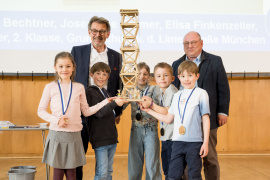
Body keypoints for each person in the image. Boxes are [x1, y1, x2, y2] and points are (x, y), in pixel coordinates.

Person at [37, 52, 113, 180]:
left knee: (73, 174)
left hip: (74, 135)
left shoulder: (79, 87)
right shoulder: (50, 87)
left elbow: (86, 111)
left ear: (73, 67)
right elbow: (41, 110)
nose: (64, 69)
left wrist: (105, 102)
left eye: (68, 66)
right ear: (55, 67)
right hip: (57, 135)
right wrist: (57, 120)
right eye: (61, 66)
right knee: (58, 173)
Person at [172, 31, 230, 180]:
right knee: (186, 160)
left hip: (207, 119)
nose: (190, 46)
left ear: (201, 43)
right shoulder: (176, 64)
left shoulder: (215, 61)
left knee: (209, 158)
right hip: (186, 123)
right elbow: (174, 92)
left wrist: (223, 111)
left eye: (193, 42)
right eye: (186, 43)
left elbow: (223, 87)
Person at [71, 16, 122, 180]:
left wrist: (118, 110)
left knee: (104, 159)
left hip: (105, 114)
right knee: (78, 156)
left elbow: (119, 84)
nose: (97, 34)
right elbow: (69, 80)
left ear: (108, 34)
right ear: (89, 32)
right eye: (94, 31)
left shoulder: (116, 56)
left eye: (102, 31)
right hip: (80, 114)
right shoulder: (77, 52)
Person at [141, 60, 210, 180]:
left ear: (197, 76)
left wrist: (205, 142)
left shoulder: (202, 94)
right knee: (173, 175)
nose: (186, 79)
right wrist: (149, 111)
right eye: (183, 76)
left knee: (194, 175)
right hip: (177, 142)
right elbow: (168, 118)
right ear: (178, 77)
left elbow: (205, 118)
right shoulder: (177, 95)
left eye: (190, 75)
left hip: (194, 142)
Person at [86, 62, 126, 180]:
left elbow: (111, 112)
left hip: (111, 138)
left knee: (108, 171)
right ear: (91, 75)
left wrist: (123, 103)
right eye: (98, 73)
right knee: (102, 172)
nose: (101, 77)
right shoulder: (90, 92)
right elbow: (99, 113)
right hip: (100, 139)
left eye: (104, 74)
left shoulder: (106, 93)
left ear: (108, 77)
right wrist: (114, 103)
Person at [140, 62, 178, 180]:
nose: (162, 78)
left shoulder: (171, 91)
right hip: (166, 137)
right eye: (159, 76)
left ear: (172, 78)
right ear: (154, 79)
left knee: (171, 171)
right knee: (167, 169)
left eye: (165, 75)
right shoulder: (162, 91)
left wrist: (150, 105)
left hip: (172, 137)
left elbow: (166, 112)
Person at [127, 62, 162, 180]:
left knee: (152, 163)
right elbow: (121, 104)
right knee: (134, 162)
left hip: (151, 128)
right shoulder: (130, 89)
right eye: (139, 73)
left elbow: (159, 105)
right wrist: (117, 114)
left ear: (150, 76)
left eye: (145, 74)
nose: (142, 76)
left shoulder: (155, 89)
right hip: (135, 128)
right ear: (134, 75)